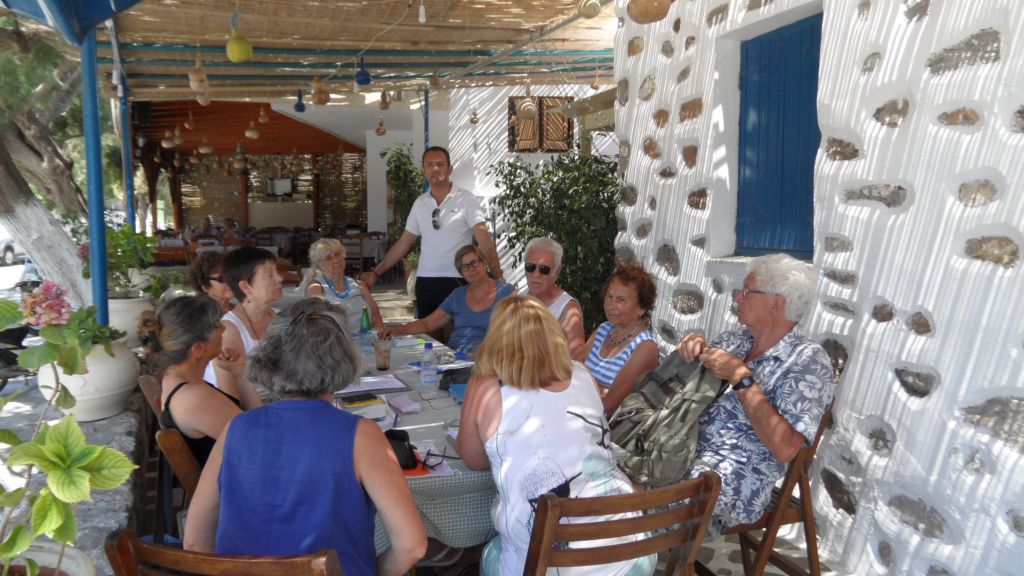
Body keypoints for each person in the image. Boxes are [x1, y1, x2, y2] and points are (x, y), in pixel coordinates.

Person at [183, 298, 427, 575]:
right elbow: (412, 545)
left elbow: (194, 540)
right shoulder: (361, 435)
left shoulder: (235, 429)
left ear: (271, 356)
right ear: (342, 357)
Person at [456, 295, 655, 576]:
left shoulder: (486, 384)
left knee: (492, 552)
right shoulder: (582, 373)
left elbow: (472, 459)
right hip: (631, 554)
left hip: (548, 565)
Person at [678, 253, 835, 540]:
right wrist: (692, 349)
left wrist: (741, 377)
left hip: (729, 478)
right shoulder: (735, 340)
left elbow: (785, 448)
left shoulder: (807, 362)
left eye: (748, 292)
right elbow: (688, 389)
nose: (738, 298)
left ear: (778, 303)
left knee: (635, 503)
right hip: (680, 450)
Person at [360, 146, 502, 321]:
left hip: (457, 280)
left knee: (454, 340)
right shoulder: (420, 203)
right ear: (423, 171)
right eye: (429, 165)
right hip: (426, 280)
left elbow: (484, 240)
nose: (435, 169)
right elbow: (404, 243)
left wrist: (497, 275)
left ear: (450, 169)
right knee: (429, 341)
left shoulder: (467, 200)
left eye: (440, 164)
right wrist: (375, 273)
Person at [150, 296, 245, 467]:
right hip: (234, 488)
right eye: (217, 326)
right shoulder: (195, 397)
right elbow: (263, 443)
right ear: (198, 349)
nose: (223, 329)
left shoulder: (174, 379)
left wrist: (237, 372)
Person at [380, 245, 513, 354]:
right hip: (454, 356)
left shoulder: (506, 293)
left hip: (488, 358)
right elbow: (428, 323)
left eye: (474, 263)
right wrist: (398, 330)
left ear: (484, 263)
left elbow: (518, 332)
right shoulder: (457, 295)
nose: (471, 269)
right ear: (461, 273)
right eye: (465, 267)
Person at [577, 263, 659, 417]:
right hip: (578, 409)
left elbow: (611, 404)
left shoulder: (645, 346)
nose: (611, 305)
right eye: (610, 296)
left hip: (602, 426)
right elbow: (568, 368)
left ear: (642, 308)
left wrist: (582, 378)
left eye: (621, 300)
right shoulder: (604, 329)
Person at [212, 246, 280, 405]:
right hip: (251, 411)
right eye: (270, 275)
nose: (280, 279)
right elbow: (231, 400)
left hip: (280, 404)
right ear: (245, 287)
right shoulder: (229, 329)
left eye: (277, 272)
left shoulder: (279, 317)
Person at [518, 237, 585, 358]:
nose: (536, 274)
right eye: (530, 267)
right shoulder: (517, 297)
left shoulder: (568, 310)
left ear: (557, 272)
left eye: (544, 269)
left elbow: (575, 360)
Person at [301, 238, 384, 334]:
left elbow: (377, 320)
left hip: (366, 343)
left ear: (344, 255)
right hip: (336, 344)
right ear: (319, 264)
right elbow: (316, 325)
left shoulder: (359, 285)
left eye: (337, 254)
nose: (336, 260)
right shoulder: (316, 288)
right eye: (328, 258)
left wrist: (378, 337)